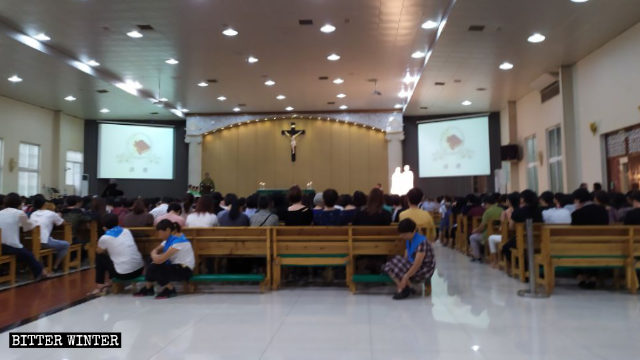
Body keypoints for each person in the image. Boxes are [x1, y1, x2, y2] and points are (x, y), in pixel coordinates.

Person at [134, 220, 194, 299]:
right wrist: (154, 256)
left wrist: (155, 257)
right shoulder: (168, 240)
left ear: (168, 230)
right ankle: (149, 288)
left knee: (155, 266)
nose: (159, 235)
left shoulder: (179, 242)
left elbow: (161, 259)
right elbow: (155, 250)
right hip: (174, 267)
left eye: (160, 232)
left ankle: (170, 289)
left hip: (184, 270)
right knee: (151, 261)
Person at [90, 214, 144, 295]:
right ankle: (110, 281)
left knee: (99, 256)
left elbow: (99, 251)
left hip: (124, 274)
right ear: (118, 223)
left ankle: (100, 285)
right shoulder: (127, 231)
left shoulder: (105, 238)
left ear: (104, 227)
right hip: (139, 269)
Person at [382, 219, 436, 300]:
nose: (401, 236)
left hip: (424, 269)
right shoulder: (409, 239)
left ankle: (403, 288)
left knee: (394, 263)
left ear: (412, 231)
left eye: (404, 234)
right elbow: (406, 257)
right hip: (413, 264)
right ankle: (407, 287)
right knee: (391, 264)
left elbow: (417, 264)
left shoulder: (421, 242)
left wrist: (405, 276)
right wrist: (402, 267)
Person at [0, 193, 49, 279]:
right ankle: (41, 273)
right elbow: (28, 227)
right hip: (10, 246)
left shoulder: (1, 212)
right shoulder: (19, 213)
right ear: (19, 203)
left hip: (1, 246)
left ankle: (12, 270)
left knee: (24, 253)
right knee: (29, 255)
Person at [571, 188, 609, 289]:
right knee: (593, 248)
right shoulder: (603, 210)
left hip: (581, 247)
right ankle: (593, 276)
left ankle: (581, 277)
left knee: (575, 248)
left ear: (578, 200)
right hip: (603, 246)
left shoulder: (576, 214)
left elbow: (573, 233)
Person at [29, 195, 70, 270]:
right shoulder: (51, 214)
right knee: (66, 244)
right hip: (44, 242)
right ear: (45, 204)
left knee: (54, 241)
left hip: (32, 241)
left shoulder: (33, 214)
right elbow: (64, 223)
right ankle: (55, 266)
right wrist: (58, 216)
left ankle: (43, 264)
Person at [487, 192, 519, 268]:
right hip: (522, 237)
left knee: (491, 238)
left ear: (510, 201)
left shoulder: (506, 212)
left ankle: (495, 261)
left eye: (507, 200)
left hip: (509, 237)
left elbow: (502, 227)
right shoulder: (521, 210)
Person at [469, 194, 503, 262]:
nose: (484, 206)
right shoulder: (501, 209)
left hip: (488, 234)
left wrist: (475, 230)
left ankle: (477, 257)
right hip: (500, 233)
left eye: (484, 204)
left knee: (472, 237)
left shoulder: (487, 212)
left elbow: (482, 227)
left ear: (487, 203)